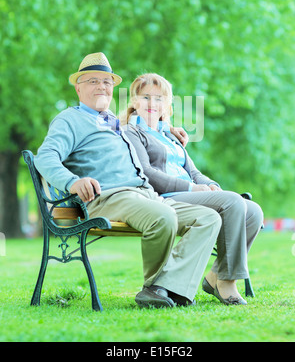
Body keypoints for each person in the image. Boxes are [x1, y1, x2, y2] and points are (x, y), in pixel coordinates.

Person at [34, 53, 221, 309]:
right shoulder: (70, 119)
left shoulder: (114, 122)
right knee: (162, 217)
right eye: (93, 81)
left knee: (209, 218)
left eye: (107, 82)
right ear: (78, 87)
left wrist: (168, 128)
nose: (102, 86)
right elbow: (45, 157)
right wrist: (72, 182)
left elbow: (146, 130)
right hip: (109, 197)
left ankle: (164, 288)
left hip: (144, 195)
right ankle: (156, 288)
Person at [122, 73, 264, 305]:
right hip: (166, 197)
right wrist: (193, 187)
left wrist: (212, 186)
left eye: (159, 98)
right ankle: (228, 283)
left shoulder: (170, 135)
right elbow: (146, 173)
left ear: (166, 104)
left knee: (254, 211)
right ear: (134, 101)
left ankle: (215, 275)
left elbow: (193, 171)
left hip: (191, 192)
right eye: (145, 97)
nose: (152, 104)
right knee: (232, 202)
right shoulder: (132, 132)